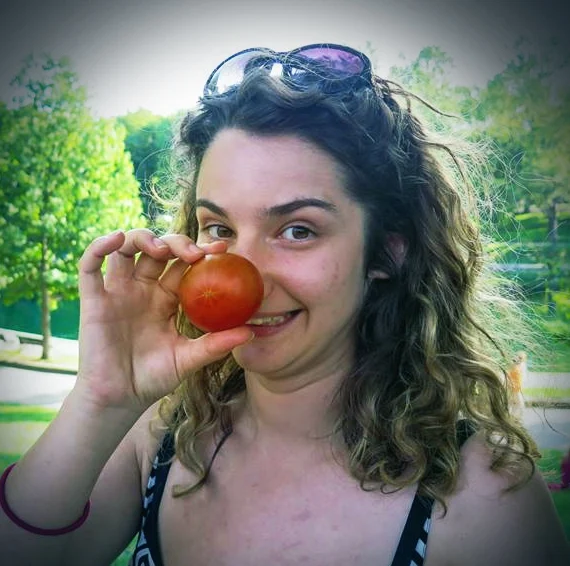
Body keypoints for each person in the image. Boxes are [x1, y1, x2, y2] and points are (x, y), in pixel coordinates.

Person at [0, 43, 568, 566]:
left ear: (387, 252)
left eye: (297, 230)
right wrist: (99, 402)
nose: (241, 276)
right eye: (218, 226)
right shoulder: (156, 439)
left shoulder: (485, 496)